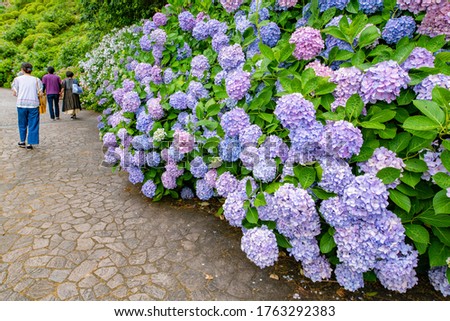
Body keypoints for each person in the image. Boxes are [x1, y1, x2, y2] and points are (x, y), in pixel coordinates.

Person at [11, 62, 43, 150]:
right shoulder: (36, 80)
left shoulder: (17, 79)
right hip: (33, 104)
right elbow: (40, 93)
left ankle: (22, 141)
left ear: (22, 70)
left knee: (22, 123)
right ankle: (30, 143)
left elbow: (14, 93)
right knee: (33, 124)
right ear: (31, 70)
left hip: (21, 104)